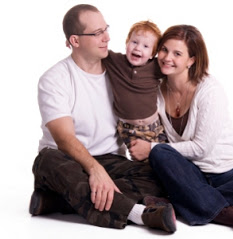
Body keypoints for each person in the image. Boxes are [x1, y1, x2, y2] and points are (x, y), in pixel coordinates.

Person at [29, 4, 176, 233]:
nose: (107, 37)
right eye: (97, 33)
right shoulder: (54, 79)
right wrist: (95, 170)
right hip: (64, 160)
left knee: (160, 175)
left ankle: (61, 200)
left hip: (110, 160)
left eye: (106, 29)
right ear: (75, 41)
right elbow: (64, 139)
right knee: (49, 162)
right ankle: (139, 214)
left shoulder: (119, 72)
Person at [129, 25, 233, 231]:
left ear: (191, 60)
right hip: (188, 170)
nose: (167, 57)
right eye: (164, 50)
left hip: (225, 171)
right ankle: (223, 212)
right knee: (161, 153)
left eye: (177, 53)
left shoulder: (209, 90)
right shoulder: (157, 89)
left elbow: (202, 148)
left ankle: (179, 204)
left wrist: (149, 148)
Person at [102, 21, 167, 161]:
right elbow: (95, 51)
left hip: (154, 126)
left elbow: (175, 69)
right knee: (142, 164)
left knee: (166, 160)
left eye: (145, 46)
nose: (138, 48)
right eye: (134, 42)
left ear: (152, 54)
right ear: (126, 43)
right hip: (128, 129)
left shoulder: (155, 67)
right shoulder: (115, 61)